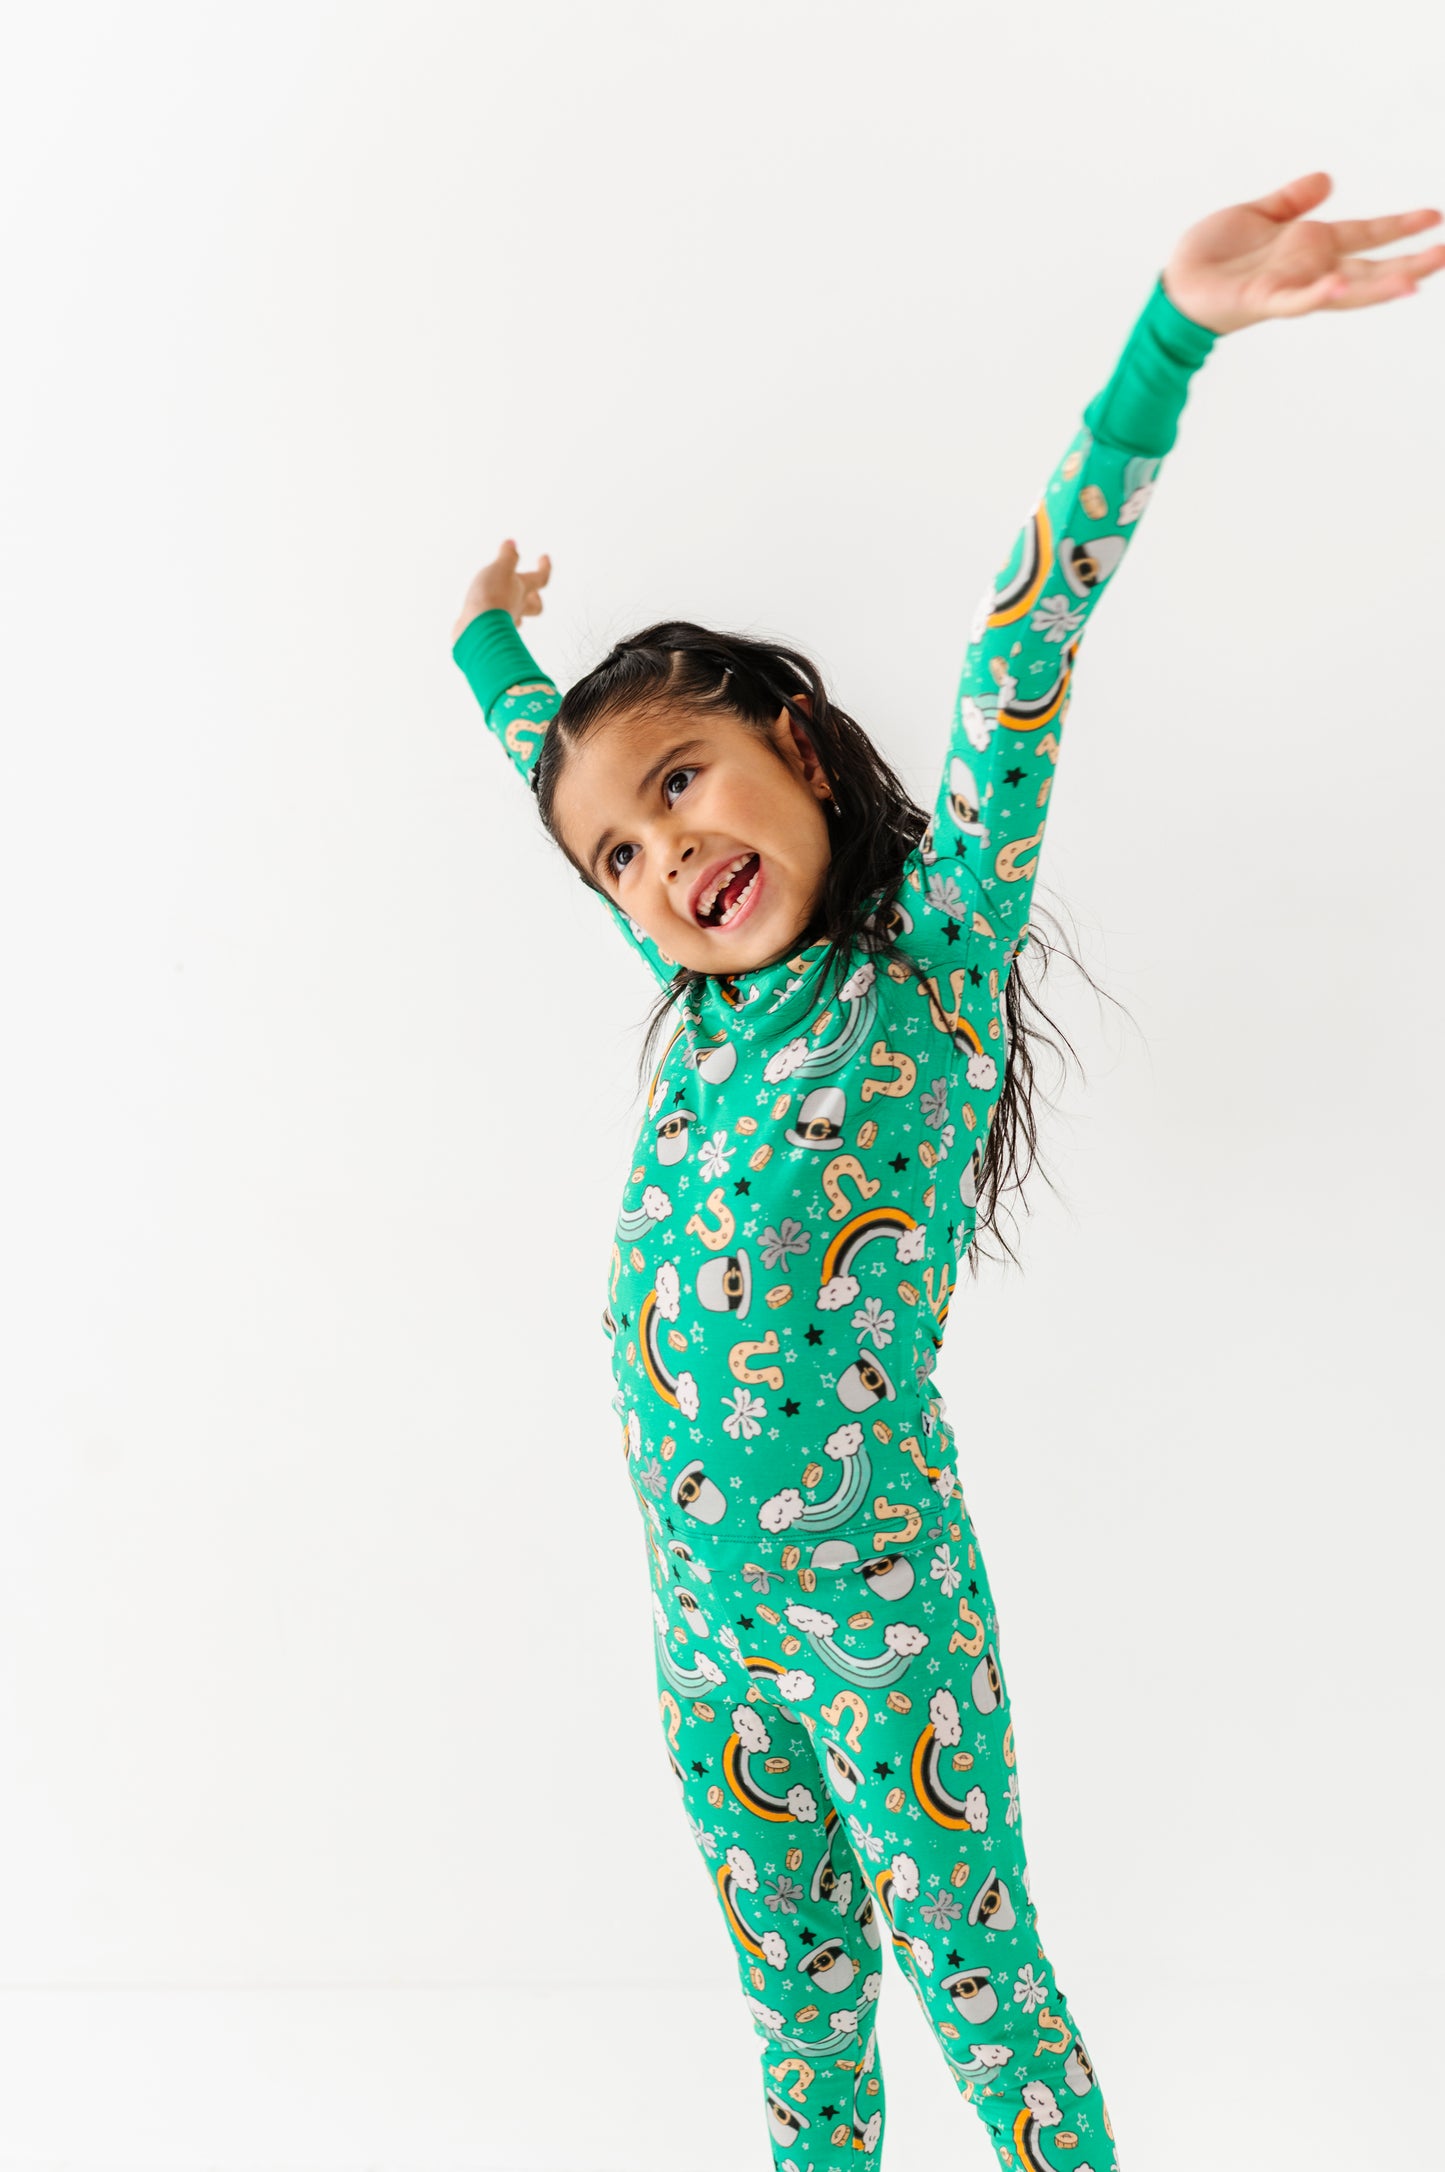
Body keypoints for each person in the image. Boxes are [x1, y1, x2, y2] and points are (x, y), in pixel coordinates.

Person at [449, 171, 1441, 2172]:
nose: (665, 856)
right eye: (621, 857)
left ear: (799, 748)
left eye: (684, 785)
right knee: (799, 2014)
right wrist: (485, 647)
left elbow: (1023, 645)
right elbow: (546, 759)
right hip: (705, 1648)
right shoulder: (703, 1004)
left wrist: (1167, 347)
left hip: (883, 1629)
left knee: (980, 1987)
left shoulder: (929, 974)